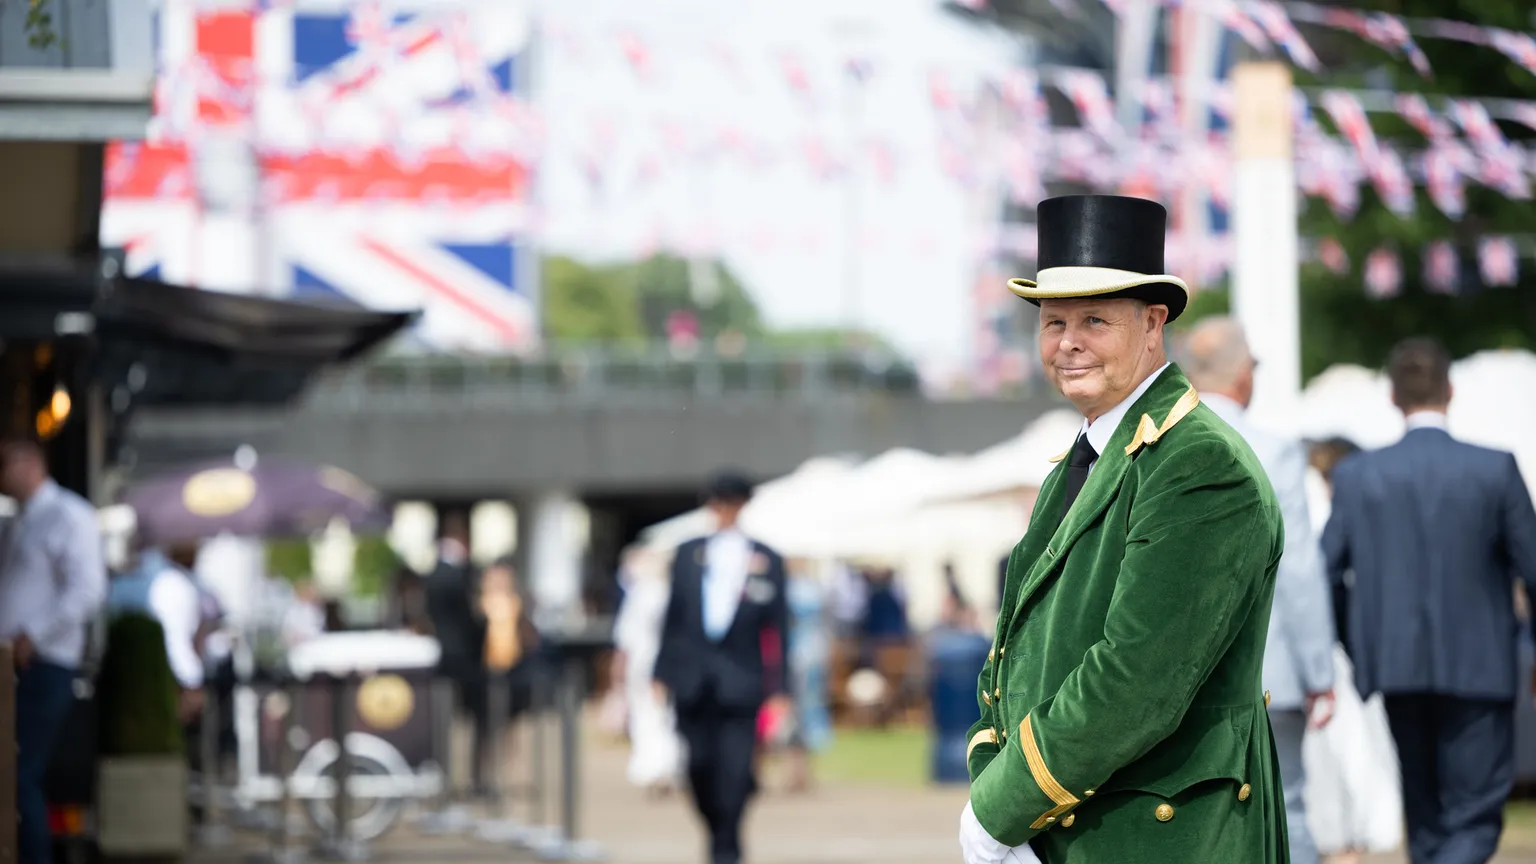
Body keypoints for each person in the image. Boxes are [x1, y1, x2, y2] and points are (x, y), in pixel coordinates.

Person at [961, 195, 1288, 864]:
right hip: (1071, 818)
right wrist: (999, 784)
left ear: (1153, 323)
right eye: (1053, 322)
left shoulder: (1198, 462)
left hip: (1162, 837)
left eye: (1094, 320)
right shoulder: (1085, 458)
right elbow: (1015, 652)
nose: (1068, 342)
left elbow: (1136, 678)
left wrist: (1000, 810)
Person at [1322, 337, 1536, 864]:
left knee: (1426, 810)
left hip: (1394, 666)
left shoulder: (1358, 475)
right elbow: (1534, 570)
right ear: (1451, 390)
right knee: (1472, 813)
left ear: (1393, 396)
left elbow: (1325, 574)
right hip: (1482, 667)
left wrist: (1359, 644)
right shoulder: (1495, 468)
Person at [1180, 316, 1338, 864]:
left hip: (1180, 675)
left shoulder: (1159, 448)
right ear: (1244, 375)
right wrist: (1320, 671)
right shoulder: (1273, 450)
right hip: (1271, 671)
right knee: (1287, 805)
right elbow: (1296, 568)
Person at [653, 471, 790, 864]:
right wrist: (660, 673)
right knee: (698, 767)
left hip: (740, 682)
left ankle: (726, 850)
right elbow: (673, 619)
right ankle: (719, 832)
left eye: (730, 503)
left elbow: (779, 629)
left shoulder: (766, 559)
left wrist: (781, 688)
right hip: (693, 681)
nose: (723, 511)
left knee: (733, 773)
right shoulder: (687, 553)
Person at [0, 439, 108, 864]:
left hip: (42, 666)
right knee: (13, 776)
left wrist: (34, 636)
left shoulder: (68, 514)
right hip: (15, 665)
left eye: (4, 462)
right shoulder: (17, 522)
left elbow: (87, 590)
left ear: (30, 464)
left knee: (18, 776)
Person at [612, 545, 684, 793]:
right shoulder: (668, 592)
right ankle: (664, 767)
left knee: (651, 717)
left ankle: (657, 767)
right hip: (659, 664)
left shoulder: (645, 594)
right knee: (662, 717)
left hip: (648, 664)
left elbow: (626, 638)